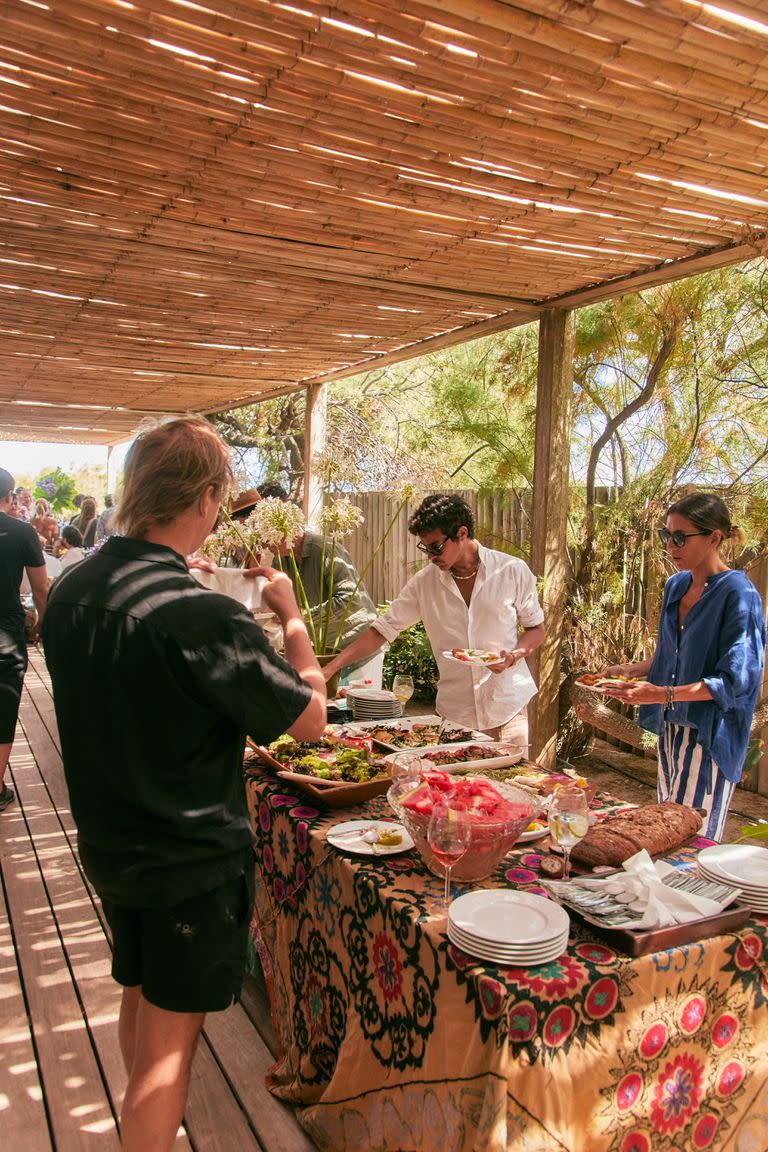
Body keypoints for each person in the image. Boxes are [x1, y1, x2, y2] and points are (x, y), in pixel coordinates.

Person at [42, 416, 326, 1152]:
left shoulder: (74, 589)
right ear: (205, 499)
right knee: (171, 1052)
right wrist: (292, 621)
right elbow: (309, 723)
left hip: (112, 843)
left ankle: (136, 1116)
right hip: (188, 862)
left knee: (140, 998)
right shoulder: (202, 615)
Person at [602, 493, 766, 841]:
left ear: (714, 538)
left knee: (691, 838)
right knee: (666, 828)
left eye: (680, 537)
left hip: (709, 733)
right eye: (666, 535)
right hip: (672, 728)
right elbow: (672, 657)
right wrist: (634, 669)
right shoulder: (675, 585)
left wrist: (661, 693)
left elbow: (735, 680)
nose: (671, 545)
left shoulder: (739, 593)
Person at [320, 493, 545, 744]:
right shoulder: (423, 584)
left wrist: (514, 655)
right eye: (425, 548)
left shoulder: (512, 570)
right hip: (454, 716)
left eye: (436, 547)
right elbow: (381, 630)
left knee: (515, 781)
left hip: (508, 709)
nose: (430, 556)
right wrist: (329, 669)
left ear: (461, 533)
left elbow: (536, 628)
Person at [0, 468, 48, 813]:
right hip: (6, 633)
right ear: (10, 495)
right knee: (3, 710)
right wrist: (43, 622)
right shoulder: (22, 532)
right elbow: (41, 587)